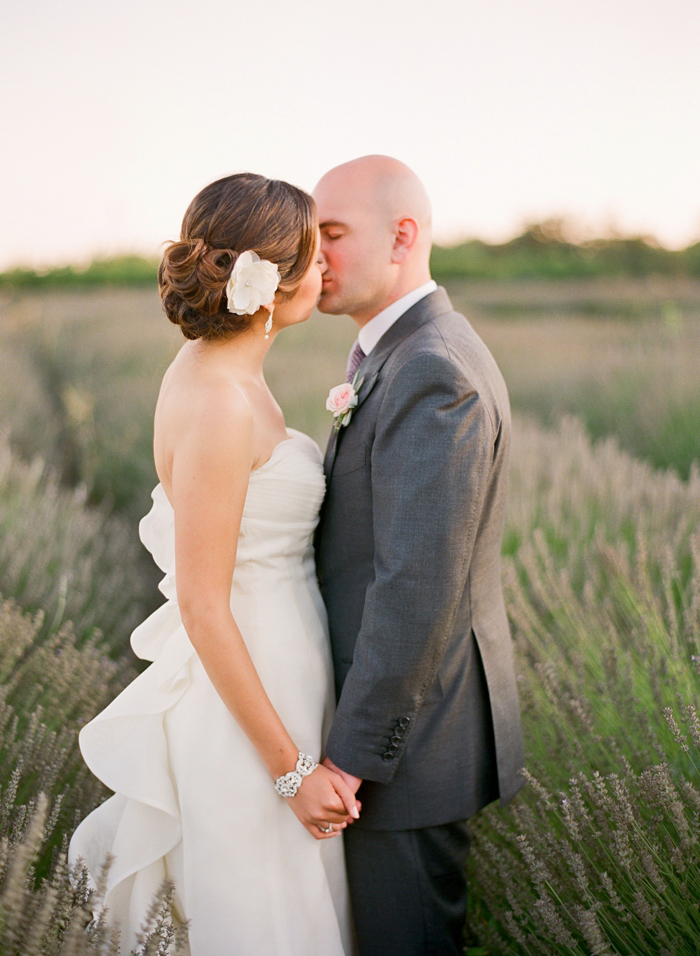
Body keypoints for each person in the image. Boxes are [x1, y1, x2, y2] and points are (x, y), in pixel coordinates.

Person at [69, 173, 358, 956]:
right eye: (311, 256)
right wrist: (291, 772)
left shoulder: (225, 373)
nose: (326, 270)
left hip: (283, 676)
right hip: (249, 705)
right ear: (267, 280)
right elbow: (202, 604)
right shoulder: (220, 402)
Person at [313, 155, 525, 956]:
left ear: (403, 236)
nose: (314, 255)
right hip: (405, 731)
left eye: (332, 234)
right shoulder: (399, 352)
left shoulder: (431, 368)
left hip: (406, 751)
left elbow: (417, 590)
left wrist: (347, 762)